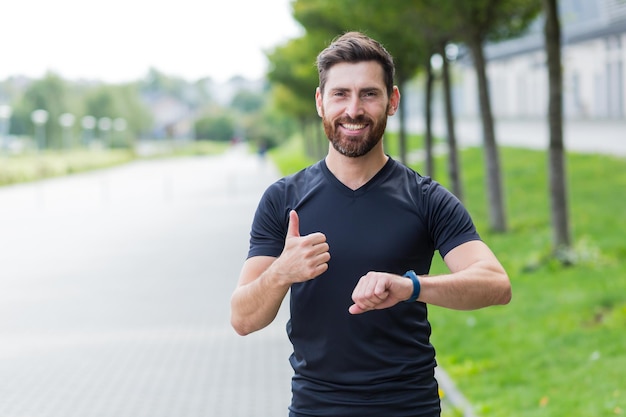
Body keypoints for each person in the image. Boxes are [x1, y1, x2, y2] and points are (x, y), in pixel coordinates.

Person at [230, 31, 512, 417]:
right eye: (340, 94)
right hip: (316, 407)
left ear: (392, 101)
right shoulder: (282, 200)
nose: (353, 109)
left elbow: (496, 285)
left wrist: (411, 286)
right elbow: (243, 319)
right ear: (320, 101)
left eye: (369, 94)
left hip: (409, 407)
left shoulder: (426, 198)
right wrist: (282, 272)